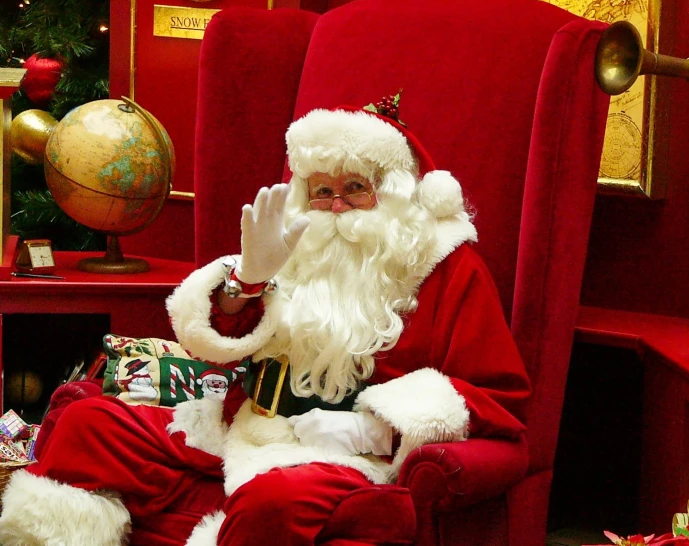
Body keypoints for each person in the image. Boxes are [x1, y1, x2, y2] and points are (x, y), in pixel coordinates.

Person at [0, 100, 531, 546]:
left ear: (391, 194)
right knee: (88, 425)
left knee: (272, 500)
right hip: (244, 423)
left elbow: (496, 397)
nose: (336, 207)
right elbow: (219, 345)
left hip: (345, 456)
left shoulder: (445, 265)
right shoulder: (295, 242)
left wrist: (371, 429)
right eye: (321, 191)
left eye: (354, 188)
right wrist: (245, 283)